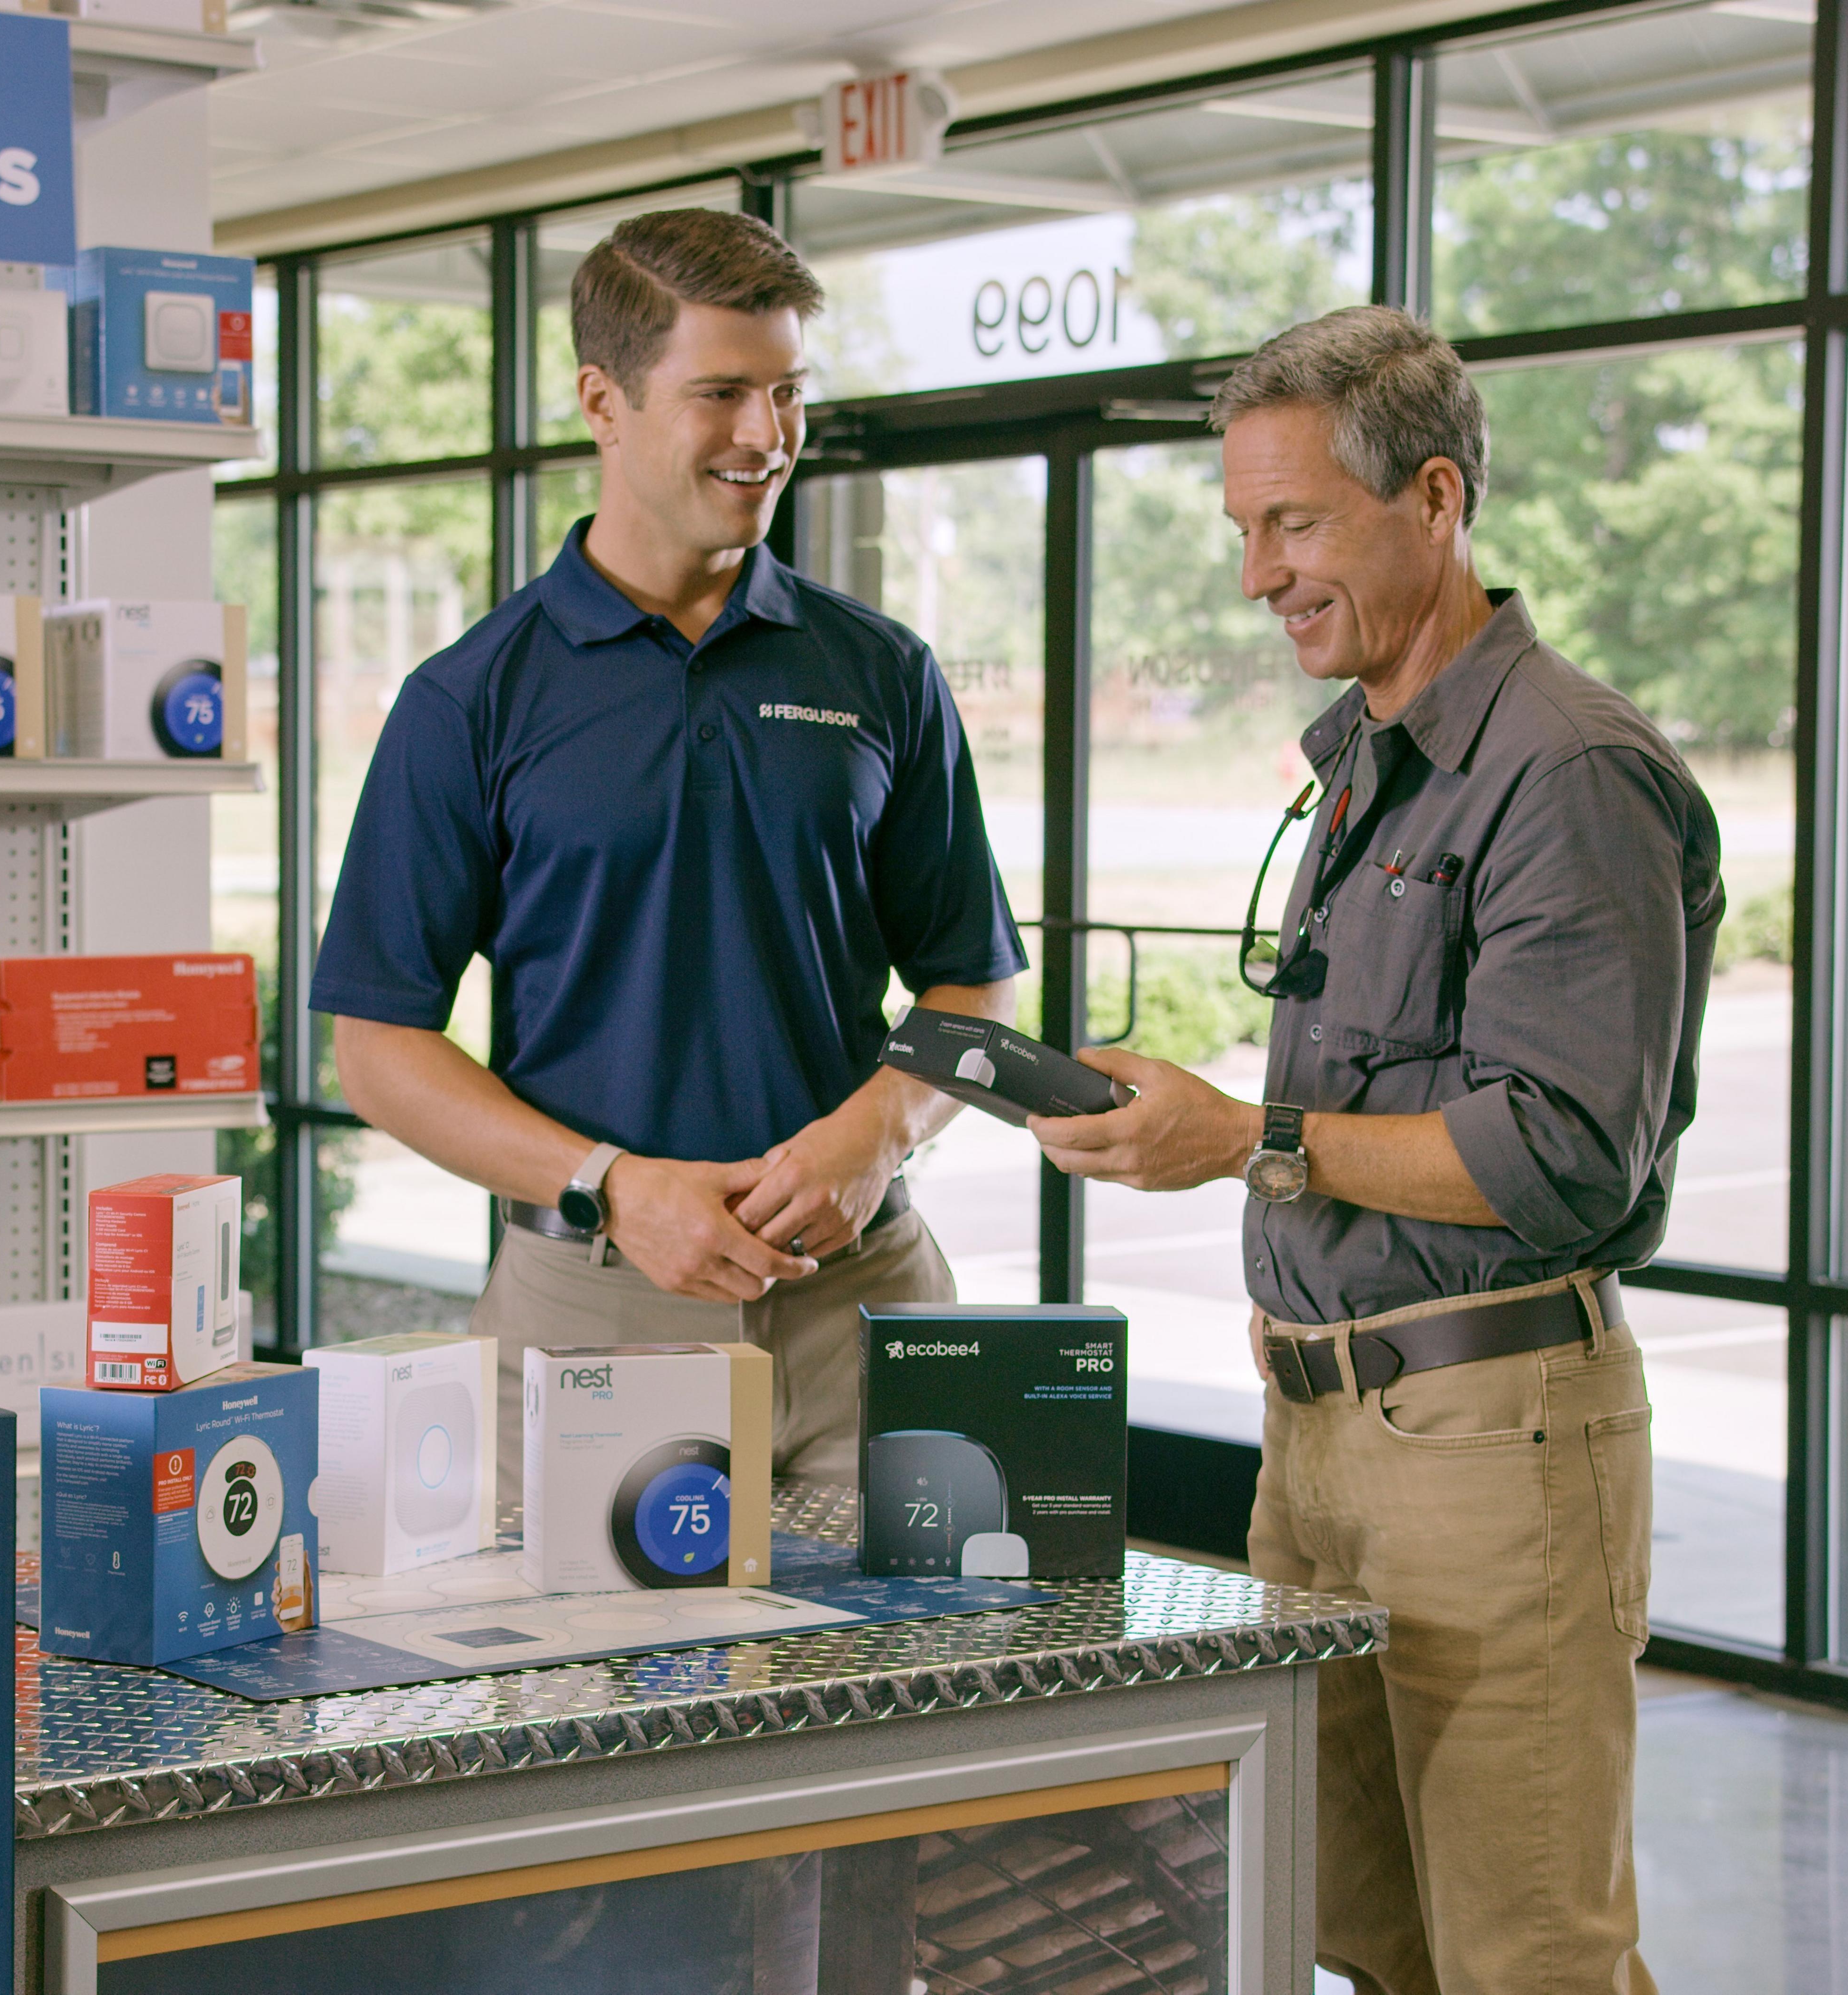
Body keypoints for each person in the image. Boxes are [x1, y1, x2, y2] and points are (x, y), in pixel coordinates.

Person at [1029, 306, 1719, 1995]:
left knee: (1527, 1954)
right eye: (1242, 529)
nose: (1259, 573)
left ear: (1434, 497)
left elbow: (1561, 1158)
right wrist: (1191, 1121)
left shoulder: (1568, 772)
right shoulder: (1367, 764)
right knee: (1368, 1932)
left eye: (1295, 524)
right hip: (1322, 1439)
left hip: (1490, 1446)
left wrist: (1242, 1138)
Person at [311, 209, 1026, 1506]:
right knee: (580, 1710)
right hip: (590, 1309)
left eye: (787, 392)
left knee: (917, 1705)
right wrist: (609, 1185)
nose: (767, 435)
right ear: (605, 400)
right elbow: (378, 1046)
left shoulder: (881, 674)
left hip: (863, 1306)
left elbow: (976, 988)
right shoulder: (469, 701)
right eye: (721, 393)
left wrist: (880, 1133)